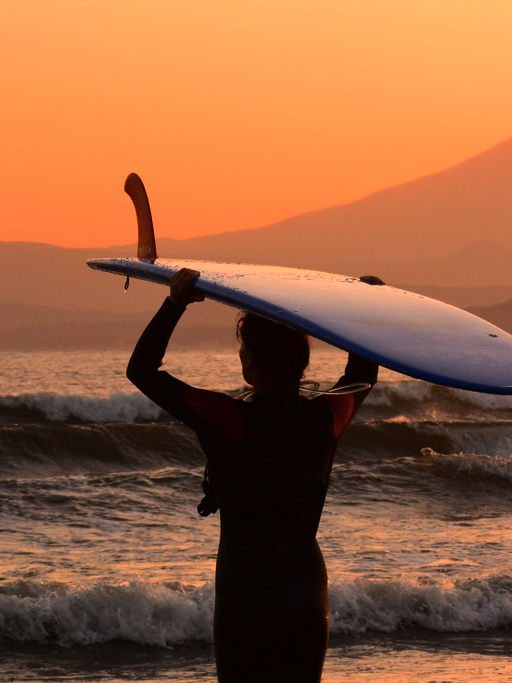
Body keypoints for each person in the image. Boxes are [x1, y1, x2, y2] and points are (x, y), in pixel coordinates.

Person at [127, 268, 379, 682]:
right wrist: (366, 306)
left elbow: (142, 370)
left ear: (251, 359)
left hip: (247, 595)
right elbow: (362, 375)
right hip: (307, 596)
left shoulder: (230, 418)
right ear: (302, 361)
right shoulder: (326, 416)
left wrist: (175, 304)